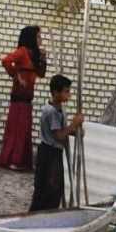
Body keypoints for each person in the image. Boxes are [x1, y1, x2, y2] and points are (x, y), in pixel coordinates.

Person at [30, 74, 84, 212]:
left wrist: (75, 131)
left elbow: (61, 130)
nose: (69, 94)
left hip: (53, 152)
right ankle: (41, 216)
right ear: (55, 92)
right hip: (49, 153)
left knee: (54, 188)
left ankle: (45, 214)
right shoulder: (51, 112)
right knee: (49, 189)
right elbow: (59, 135)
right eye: (66, 91)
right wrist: (73, 125)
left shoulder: (59, 109)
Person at [0, 25, 47, 171]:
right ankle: (12, 160)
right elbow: (6, 61)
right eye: (38, 36)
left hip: (28, 99)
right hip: (18, 98)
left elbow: (41, 74)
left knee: (24, 131)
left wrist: (43, 58)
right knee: (16, 131)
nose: (40, 39)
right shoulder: (22, 52)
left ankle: (21, 162)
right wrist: (16, 75)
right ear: (31, 37)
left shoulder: (35, 54)